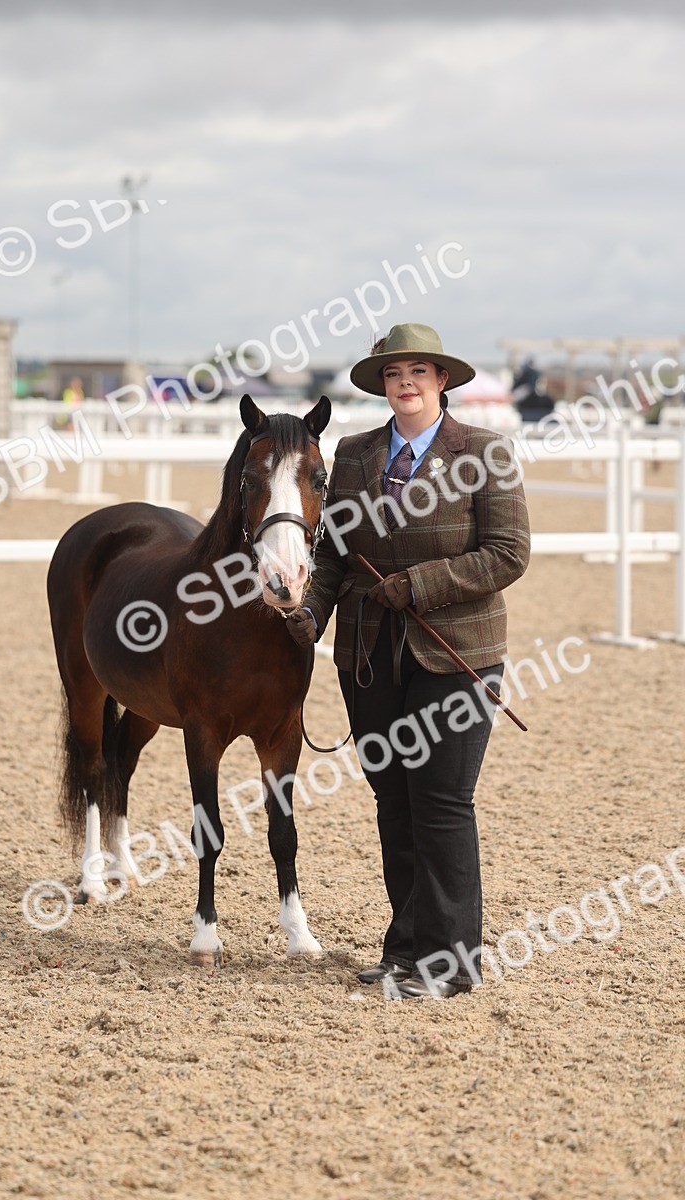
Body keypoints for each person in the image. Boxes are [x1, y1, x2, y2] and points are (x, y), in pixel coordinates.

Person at [287, 323, 531, 999]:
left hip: (458, 655)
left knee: (441, 802)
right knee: (393, 801)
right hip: (369, 655)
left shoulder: (484, 452)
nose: (406, 384)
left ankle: (449, 965)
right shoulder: (355, 454)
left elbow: (508, 554)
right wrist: (313, 613)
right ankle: (405, 951)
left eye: (418, 372)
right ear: (382, 385)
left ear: (441, 380)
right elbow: (333, 556)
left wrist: (420, 585)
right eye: (394, 374)